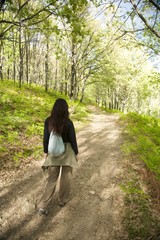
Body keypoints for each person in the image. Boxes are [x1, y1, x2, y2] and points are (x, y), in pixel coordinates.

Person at [37, 98, 78, 216]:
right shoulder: (68, 122)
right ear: (66, 109)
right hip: (68, 152)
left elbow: (45, 139)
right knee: (66, 178)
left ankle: (43, 205)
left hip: (54, 152)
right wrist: (76, 153)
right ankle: (62, 201)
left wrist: (46, 152)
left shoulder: (48, 121)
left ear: (54, 108)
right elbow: (72, 140)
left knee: (51, 180)